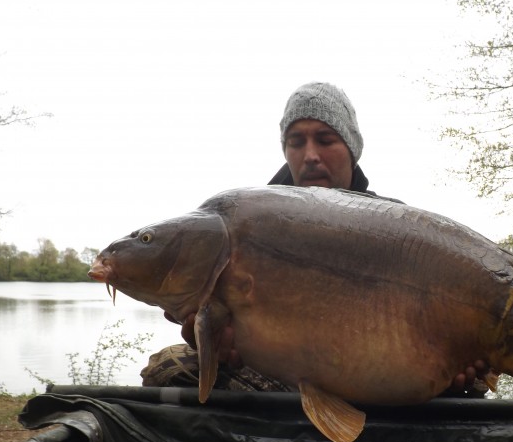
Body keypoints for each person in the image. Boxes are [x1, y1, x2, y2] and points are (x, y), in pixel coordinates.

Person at [142, 82, 488, 395]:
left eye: (325, 140)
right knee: (168, 367)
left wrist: (460, 363)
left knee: (467, 382)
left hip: (380, 371)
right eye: (296, 142)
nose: (310, 155)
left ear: (351, 148)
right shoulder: (248, 227)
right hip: (280, 373)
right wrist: (216, 343)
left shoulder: (397, 228)